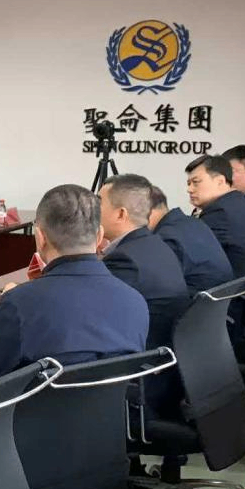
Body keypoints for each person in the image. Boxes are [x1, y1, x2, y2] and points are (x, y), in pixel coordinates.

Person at [0, 184, 148, 387]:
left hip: (29, 408)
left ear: (40, 237)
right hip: (111, 408)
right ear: (99, 237)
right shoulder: (135, 301)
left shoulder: (20, 304)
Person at [99, 175, 189, 418]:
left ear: (121, 214)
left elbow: (94, 314)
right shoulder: (154, 244)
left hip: (144, 378)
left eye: (99, 203)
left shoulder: (124, 260)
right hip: (168, 366)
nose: (93, 211)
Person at [184, 155, 245, 280]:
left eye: (196, 182)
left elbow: (191, 254)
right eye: (188, 183)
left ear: (220, 181)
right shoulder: (234, 202)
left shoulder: (220, 212)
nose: (189, 189)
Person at [148, 185, 233, 294]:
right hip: (219, 298)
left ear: (148, 210)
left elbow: (162, 286)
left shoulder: (166, 237)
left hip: (196, 300)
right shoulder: (192, 222)